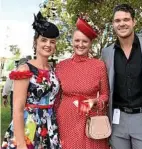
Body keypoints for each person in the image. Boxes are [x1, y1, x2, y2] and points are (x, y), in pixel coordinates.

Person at [101, 4, 142, 149]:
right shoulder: (106, 53)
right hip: (117, 119)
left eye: (126, 19)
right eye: (117, 20)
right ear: (113, 24)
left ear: (134, 22)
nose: (122, 24)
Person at [1, 12, 61, 149]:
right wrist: (21, 144)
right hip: (29, 126)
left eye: (52, 42)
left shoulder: (52, 70)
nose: (48, 45)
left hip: (50, 126)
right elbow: (17, 110)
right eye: (44, 40)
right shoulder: (25, 69)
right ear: (35, 42)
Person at [55, 16, 109, 149]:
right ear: (72, 42)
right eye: (77, 40)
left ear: (90, 43)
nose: (80, 44)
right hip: (67, 119)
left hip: (91, 118)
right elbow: (56, 97)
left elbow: (105, 95)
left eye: (85, 41)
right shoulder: (61, 66)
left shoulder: (99, 65)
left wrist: (94, 101)